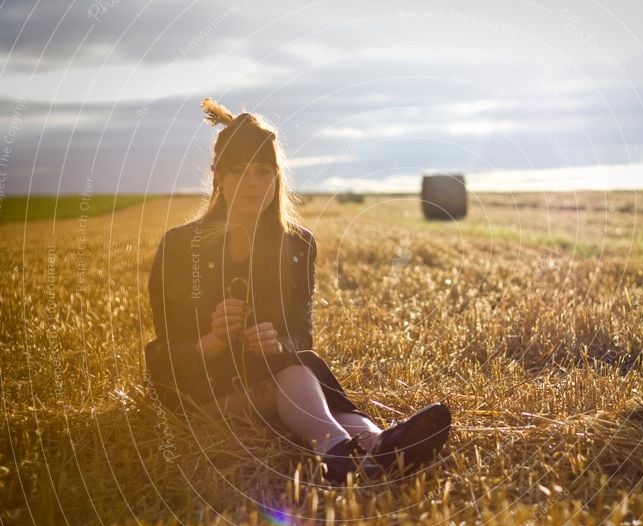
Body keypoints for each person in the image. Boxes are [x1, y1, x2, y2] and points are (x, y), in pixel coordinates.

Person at [144, 97, 451, 485]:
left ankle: (371, 446)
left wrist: (276, 345)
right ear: (217, 176)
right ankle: (354, 445)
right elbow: (164, 355)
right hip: (202, 391)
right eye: (240, 171)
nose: (255, 183)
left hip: (278, 374)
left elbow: (300, 336)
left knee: (294, 365)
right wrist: (213, 341)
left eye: (264, 170)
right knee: (293, 371)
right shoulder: (179, 246)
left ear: (277, 176)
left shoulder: (296, 245)